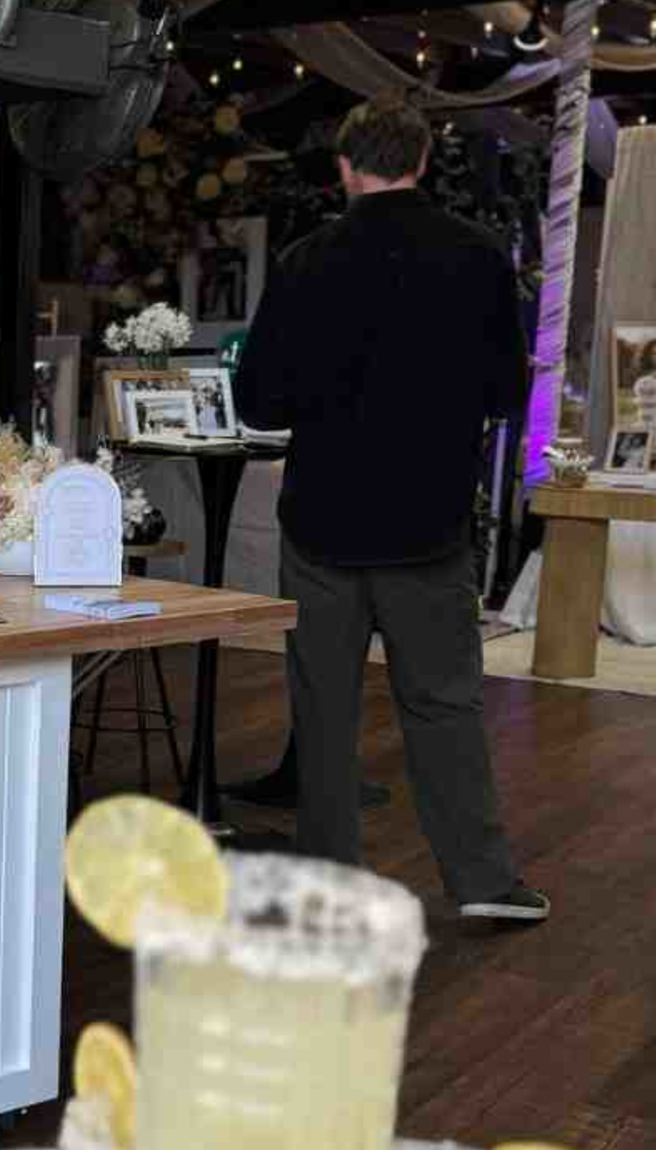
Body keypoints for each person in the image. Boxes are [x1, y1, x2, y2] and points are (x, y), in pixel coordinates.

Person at [233, 99, 547, 923]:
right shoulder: (478, 257)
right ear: (419, 159)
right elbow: (509, 392)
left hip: (323, 518)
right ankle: (483, 881)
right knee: (445, 701)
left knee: (324, 709)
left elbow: (259, 400)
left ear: (345, 167)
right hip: (430, 518)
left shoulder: (305, 260)